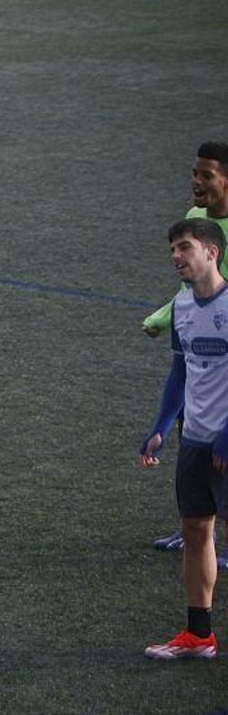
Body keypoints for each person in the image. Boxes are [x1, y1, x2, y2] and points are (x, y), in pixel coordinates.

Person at [139, 218, 228, 659]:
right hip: (194, 441)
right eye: (173, 248)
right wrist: (159, 426)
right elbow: (180, 371)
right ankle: (199, 634)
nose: (176, 255)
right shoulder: (183, 309)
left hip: (225, 444)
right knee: (195, 531)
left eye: (185, 247)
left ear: (212, 252)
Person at [141, 143, 228, 553]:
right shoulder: (194, 220)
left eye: (206, 175)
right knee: (189, 423)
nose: (196, 182)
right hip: (195, 335)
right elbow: (189, 291)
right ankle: (199, 531)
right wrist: (168, 317)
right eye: (194, 173)